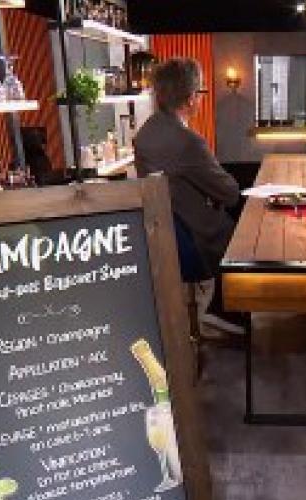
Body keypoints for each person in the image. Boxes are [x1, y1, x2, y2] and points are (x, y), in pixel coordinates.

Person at [134, 58, 244, 335]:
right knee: (244, 236)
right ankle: (223, 309)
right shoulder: (189, 142)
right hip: (192, 237)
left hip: (161, 232)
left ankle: (214, 306)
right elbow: (230, 193)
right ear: (191, 98)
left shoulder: (145, 134)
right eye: (201, 92)